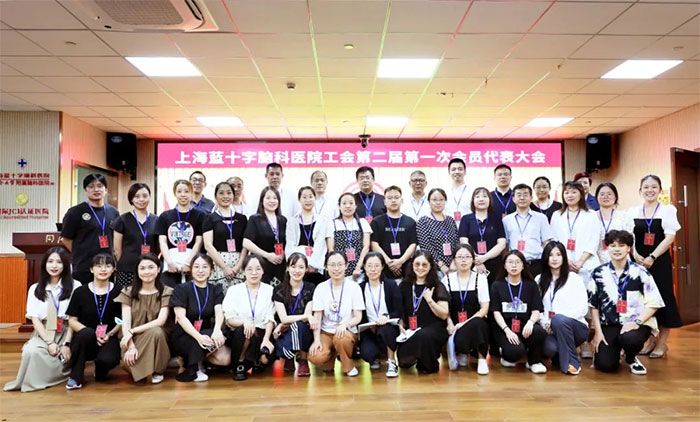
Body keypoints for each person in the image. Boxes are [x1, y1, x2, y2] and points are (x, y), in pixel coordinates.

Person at [4, 247, 80, 392]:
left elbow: (73, 318)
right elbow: (35, 318)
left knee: (62, 356)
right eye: (50, 261)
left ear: (65, 265)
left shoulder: (75, 286)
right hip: (44, 332)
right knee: (30, 351)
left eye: (59, 262)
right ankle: (32, 380)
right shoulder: (35, 288)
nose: (54, 266)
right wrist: (49, 342)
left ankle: (59, 373)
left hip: (66, 331)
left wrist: (66, 344)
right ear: (44, 264)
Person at [589, 230, 664, 375]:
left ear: (629, 248)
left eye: (621, 245)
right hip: (609, 324)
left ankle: (631, 358)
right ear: (607, 248)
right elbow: (594, 306)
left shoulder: (641, 272)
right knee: (605, 366)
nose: (617, 249)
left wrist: (637, 322)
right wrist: (598, 332)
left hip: (635, 324)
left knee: (630, 339)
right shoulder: (598, 273)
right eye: (612, 245)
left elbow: (654, 303)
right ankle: (614, 352)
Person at [630, 175, 681, 359]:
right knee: (644, 301)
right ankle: (651, 340)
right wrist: (635, 253)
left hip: (659, 262)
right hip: (638, 262)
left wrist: (652, 256)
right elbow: (630, 237)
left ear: (660, 190)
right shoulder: (634, 211)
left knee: (663, 300)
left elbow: (670, 237)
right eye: (646, 187)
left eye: (653, 187)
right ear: (640, 190)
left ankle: (661, 344)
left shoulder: (667, 210)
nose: (649, 190)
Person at [65, 254, 122, 389]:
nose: (103, 269)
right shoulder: (80, 292)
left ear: (113, 269)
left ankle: (100, 371)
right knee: (86, 334)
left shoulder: (119, 291)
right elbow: (72, 320)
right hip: (85, 338)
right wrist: (92, 333)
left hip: (109, 337)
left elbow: (122, 319)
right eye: (99, 266)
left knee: (108, 359)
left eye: (108, 266)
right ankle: (75, 377)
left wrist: (110, 334)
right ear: (91, 269)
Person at [115, 254, 173, 384]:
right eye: (142, 268)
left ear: (159, 269)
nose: (147, 272)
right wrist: (131, 346)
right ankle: (139, 369)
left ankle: (157, 370)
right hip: (133, 339)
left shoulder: (166, 291)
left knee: (156, 331)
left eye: (151, 267)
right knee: (130, 361)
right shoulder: (128, 292)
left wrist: (132, 331)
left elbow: (160, 321)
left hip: (158, 338)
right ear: (137, 271)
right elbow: (126, 322)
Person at [170, 254, 226, 382]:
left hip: (206, 332)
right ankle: (194, 368)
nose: (200, 270)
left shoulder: (215, 289)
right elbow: (181, 317)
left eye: (205, 267)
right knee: (197, 341)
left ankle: (194, 362)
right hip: (184, 334)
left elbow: (219, 311)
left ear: (211, 270)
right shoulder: (181, 289)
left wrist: (217, 329)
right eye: (196, 267)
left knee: (225, 358)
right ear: (191, 269)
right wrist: (198, 337)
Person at [490, 250, 548, 374]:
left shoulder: (531, 285)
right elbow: (496, 312)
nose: (514, 265)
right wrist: (507, 330)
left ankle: (534, 362)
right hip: (504, 328)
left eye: (517, 262)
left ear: (523, 266)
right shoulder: (497, 285)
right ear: (504, 265)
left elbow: (536, 310)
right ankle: (506, 355)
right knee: (514, 352)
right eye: (510, 262)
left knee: (539, 332)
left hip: (524, 325)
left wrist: (531, 322)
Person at [308, 252, 365, 377]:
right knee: (315, 356)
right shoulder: (320, 288)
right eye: (332, 265)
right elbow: (317, 317)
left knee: (341, 338)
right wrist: (316, 340)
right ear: (326, 267)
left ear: (346, 265)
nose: (336, 268)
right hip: (326, 332)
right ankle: (331, 354)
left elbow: (358, 317)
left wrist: (346, 325)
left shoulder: (354, 287)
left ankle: (348, 366)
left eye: (340, 264)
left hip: (346, 331)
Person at [537, 242, 589, 375]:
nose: (554, 258)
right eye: (551, 255)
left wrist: (557, 319)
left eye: (558, 255)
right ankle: (560, 357)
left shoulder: (574, 279)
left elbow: (583, 308)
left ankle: (573, 363)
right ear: (545, 258)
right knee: (550, 349)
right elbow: (537, 308)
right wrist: (545, 322)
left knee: (559, 319)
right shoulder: (539, 279)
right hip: (549, 328)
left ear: (564, 257)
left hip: (575, 326)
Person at [223, 254, 276, 381]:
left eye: (258, 269)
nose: (254, 273)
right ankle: (240, 363)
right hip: (239, 334)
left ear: (263, 271)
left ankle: (256, 361)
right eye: (249, 269)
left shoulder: (270, 290)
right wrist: (245, 322)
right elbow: (230, 319)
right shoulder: (234, 290)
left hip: (262, 333)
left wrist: (266, 339)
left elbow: (270, 317)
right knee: (245, 330)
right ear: (243, 271)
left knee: (266, 359)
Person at [396, 251, 450, 374]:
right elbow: (400, 311)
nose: (420, 268)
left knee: (424, 335)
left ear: (431, 266)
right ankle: (421, 357)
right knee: (403, 361)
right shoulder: (404, 285)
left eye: (424, 265)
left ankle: (430, 364)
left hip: (434, 328)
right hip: (411, 330)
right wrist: (400, 324)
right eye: (417, 264)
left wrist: (430, 300)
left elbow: (444, 314)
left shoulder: (437, 285)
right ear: (412, 265)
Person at [61, 174, 119, 284]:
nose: (96, 189)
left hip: (107, 267)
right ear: (85, 190)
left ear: (106, 190)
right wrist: (81, 252)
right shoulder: (75, 212)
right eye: (91, 186)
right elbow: (66, 239)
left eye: (100, 186)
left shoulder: (114, 212)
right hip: (84, 266)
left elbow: (116, 239)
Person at [443, 245, 490, 375]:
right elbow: (444, 307)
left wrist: (464, 323)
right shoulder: (447, 279)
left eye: (467, 257)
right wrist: (449, 322)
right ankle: (461, 352)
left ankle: (482, 360)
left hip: (474, 323)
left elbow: (484, 309)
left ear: (473, 260)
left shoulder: (480, 278)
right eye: (460, 257)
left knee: (479, 323)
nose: (463, 260)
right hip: (454, 326)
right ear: (454, 260)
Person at [358, 252, 402, 378]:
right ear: (364, 267)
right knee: (367, 353)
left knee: (385, 329)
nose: (373, 269)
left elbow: (399, 310)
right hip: (369, 330)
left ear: (382, 267)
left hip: (388, 327)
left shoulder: (390, 285)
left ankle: (391, 361)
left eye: (376, 265)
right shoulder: (360, 288)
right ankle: (375, 357)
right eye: (369, 266)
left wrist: (386, 317)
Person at [272, 253, 317, 376]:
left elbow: (306, 318)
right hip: (284, 331)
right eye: (293, 267)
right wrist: (282, 324)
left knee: (299, 326)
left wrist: (285, 323)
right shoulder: (279, 289)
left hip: (304, 330)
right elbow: (284, 318)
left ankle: (302, 359)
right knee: (293, 327)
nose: (297, 271)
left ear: (306, 269)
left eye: (301, 267)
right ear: (287, 268)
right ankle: (289, 356)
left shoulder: (311, 288)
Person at [550, 181, 601, 284]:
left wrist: (580, 262)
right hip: (564, 263)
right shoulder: (557, 215)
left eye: (574, 192)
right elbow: (554, 240)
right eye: (566, 192)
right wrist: (566, 260)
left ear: (581, 194)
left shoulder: (591, 214)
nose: (570, 195)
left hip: (587, 263)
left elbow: (594, 240)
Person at [158, 179, 205, 287]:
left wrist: (189, 263)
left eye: (186, 191)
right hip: (170, 263)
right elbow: (162, 242)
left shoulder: (200, 216)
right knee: (169, 293)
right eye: (179, 191)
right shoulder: (165, 216)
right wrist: (169, 262)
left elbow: (199, 242)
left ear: (191, 193)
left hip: (192, 263)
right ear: (175, 193)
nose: (183, 195)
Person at [203, 181, 248, 291]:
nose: (225, 196)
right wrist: (224, 267)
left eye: (228, 193)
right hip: (218, 264)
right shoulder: (210, 218)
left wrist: (238, 266)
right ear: (215, 196)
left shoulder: (242, 219)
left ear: (233, 195)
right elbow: (208, 245)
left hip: (238, 265)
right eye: (221, 193)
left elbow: (245, 245)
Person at [113, 183, 159, 287]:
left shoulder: (157, 220)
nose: (141, 199)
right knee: (127, 295)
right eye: (137, 196)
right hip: (127, 269)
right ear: (131, 199)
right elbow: (117, 249)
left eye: (145, 196)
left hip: (150, 269)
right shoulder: (122, 220)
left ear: (150, 197)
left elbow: (159, 246)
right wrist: (124, 262)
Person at [502, 184, 553, 277]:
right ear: (513, 199)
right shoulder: (506, 220)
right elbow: (505, 245)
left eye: (525, 195)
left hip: (536, 263)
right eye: (519, 195)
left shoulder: (541, 218)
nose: (522, 198)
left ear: (531, 198)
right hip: (514, 265)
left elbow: (546, 242)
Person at [459, 187, 507, 286]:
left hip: (494, 263)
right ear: (473, 200)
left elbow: (502, 243)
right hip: (472, 263)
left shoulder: (496, 218)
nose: (481, 199)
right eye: (477, 197)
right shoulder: (466, 219)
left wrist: (484, 258)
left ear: (490, 200)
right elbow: (464, 242)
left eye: (485, 196)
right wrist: (477, 261)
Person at [370, 186, 417, 281]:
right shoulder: (376, 222)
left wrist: (401, 261)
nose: (393, 200)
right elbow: (374, 244)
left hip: (406, 269)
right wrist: (389, 262)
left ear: (402, 200)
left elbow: (413, 244)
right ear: (384, 201)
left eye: (396, 197)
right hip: (383, 269)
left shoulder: (410, 222)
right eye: (390, 198)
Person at [243, 186, 288, 286]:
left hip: (280, 265)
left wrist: (283, 253)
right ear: (262, 201)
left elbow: (287, 241)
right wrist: (267, 255)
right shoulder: (255, 219)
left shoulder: (283, 220)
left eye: (275, 198)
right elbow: (246, 242)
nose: (272, 201)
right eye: (268, 198)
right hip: (261, 264)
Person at [285, 186, 329, 284]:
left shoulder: (322, 220)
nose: (307, 200)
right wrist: (296, 264)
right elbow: (290, 244)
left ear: (315, 198)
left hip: (315, 269)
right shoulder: (292, 221)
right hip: (296, 269)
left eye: (310, 197)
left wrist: (312, 264)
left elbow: (321, 245)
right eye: (304, 197)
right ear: (299, 200)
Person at [326, 193, 372, 279]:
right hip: (339, 270)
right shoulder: (333, 223)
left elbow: (366, 247)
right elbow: (331, 249)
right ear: (339, 206)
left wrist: (358, 267)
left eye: (351, 203)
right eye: (344, 203)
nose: (348, 206)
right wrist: (337, 267)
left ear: (355, 206)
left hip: (359, 270)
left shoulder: (362, 222)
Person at [416, 188, 459, 276]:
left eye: (441, 200)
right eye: (434, 200)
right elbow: (426, 246)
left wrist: (454, 261)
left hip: (454, 267)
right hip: (434, 268)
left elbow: (457, 242)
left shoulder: (450, 220)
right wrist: (441, 265)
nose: (438, 203)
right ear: (429, 202)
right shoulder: (423, 221)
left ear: (445, 201)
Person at [595, 182, 633, 264]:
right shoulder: (591, 217)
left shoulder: (624, 216)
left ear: (615, 197)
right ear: (597, 197)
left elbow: (630, 240)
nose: (605, 196)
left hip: (621, 259)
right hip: (596, 260)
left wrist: (636, 255)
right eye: (602, 194)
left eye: (609, 194)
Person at [445, 158, 472, 227]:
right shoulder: (444, 192)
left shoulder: (472, 191)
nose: (457, 172)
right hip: (448, 228)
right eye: (453, 169)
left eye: (460, 169)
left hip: (469, 228)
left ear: (465, 172)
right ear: (449, 173)